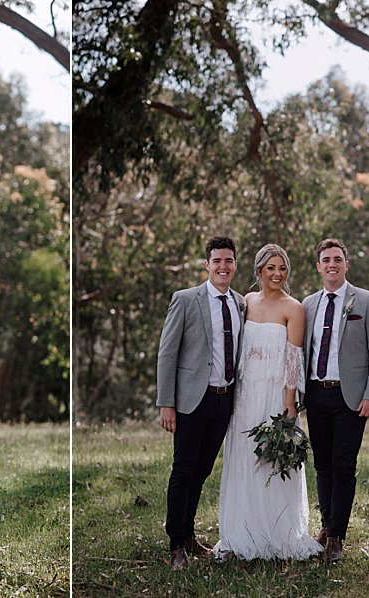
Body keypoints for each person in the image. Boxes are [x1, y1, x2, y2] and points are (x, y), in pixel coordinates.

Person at [213, 244, 323, 560]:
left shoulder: (294, 308)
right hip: (246, 396)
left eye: (282, 268)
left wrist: (290, 403)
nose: (277, 274)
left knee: (275, 462)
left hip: (276, 396)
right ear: (259, 270)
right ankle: (242, 532)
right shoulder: (245, 303)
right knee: (246, 460)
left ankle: (280, 534)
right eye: (271, 268)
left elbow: (293, 360)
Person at [156, 236, 244, 570]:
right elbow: (167, 353)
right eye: (217, 261)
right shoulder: (185, 299)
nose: (223, 267)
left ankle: (188, 533)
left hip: (224, 401)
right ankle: (176, 542)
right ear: (207, 265)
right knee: (183, 469)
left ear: (235, 265)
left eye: (229, 261)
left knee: (203, 470)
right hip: (192, 400)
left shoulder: (240, 303)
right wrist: (166, 403)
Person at [303, 238, 369, 562]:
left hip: (351, 397)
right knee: (322, 465)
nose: (332, 264)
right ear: (318, 266)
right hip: (316, 393)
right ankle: (326, 525)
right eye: (326, 260)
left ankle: (337, 537)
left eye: (337, 259)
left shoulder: (366, 301)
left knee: (343, 465)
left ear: (346, 264)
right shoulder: (308, 304)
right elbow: (302, 351)